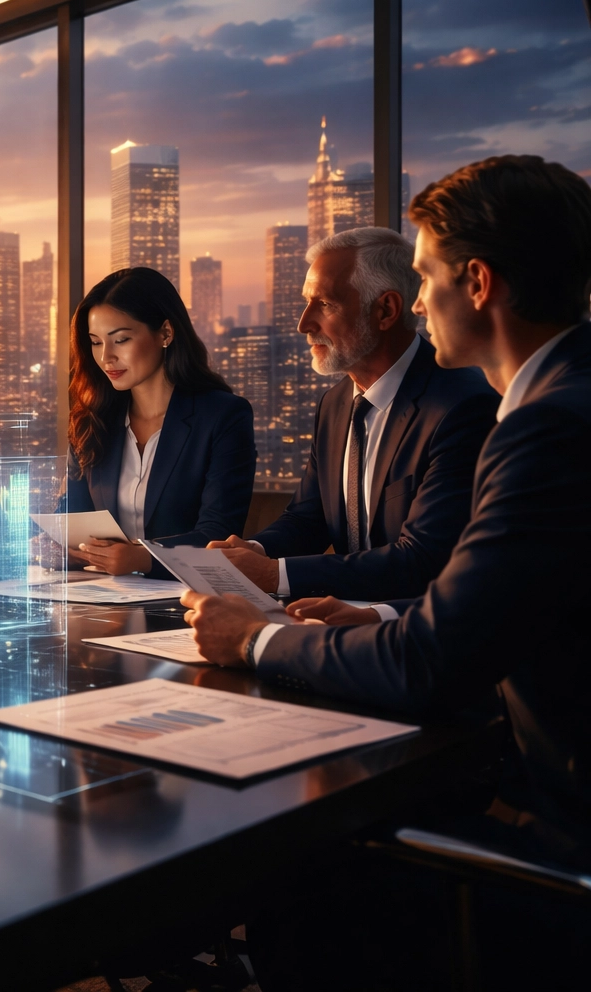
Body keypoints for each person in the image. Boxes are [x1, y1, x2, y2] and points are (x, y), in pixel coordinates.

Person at [185, 154, 591, 860]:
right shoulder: (562, 401)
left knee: (312, 858)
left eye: (428, 279)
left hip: (560, 831)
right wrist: (381, 612)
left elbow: (430, 663)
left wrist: (255, 638)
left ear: (478, 283)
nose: (421, 300)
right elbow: (518, 605)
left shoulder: (545, 430)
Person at [208, 227, 498, 604]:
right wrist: (253, 552)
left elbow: (424, 559)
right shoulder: (335, 403)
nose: (303, 323)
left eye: (325, 304)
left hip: (419, 635)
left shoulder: (462, 406)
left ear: (386, 310)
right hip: (346, 620)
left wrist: (272, 575)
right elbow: (307, 519)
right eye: (306, 302)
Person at [56, 267, 256, 577]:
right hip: (101, 597)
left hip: (187, 600)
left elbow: (217, 536)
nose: (106, 357)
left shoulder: (223, 417)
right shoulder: (93, 419)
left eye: (120, 339)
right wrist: (52, 544)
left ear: (165, 333)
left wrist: (142, 559)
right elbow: (73, 517)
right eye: (95, 342)